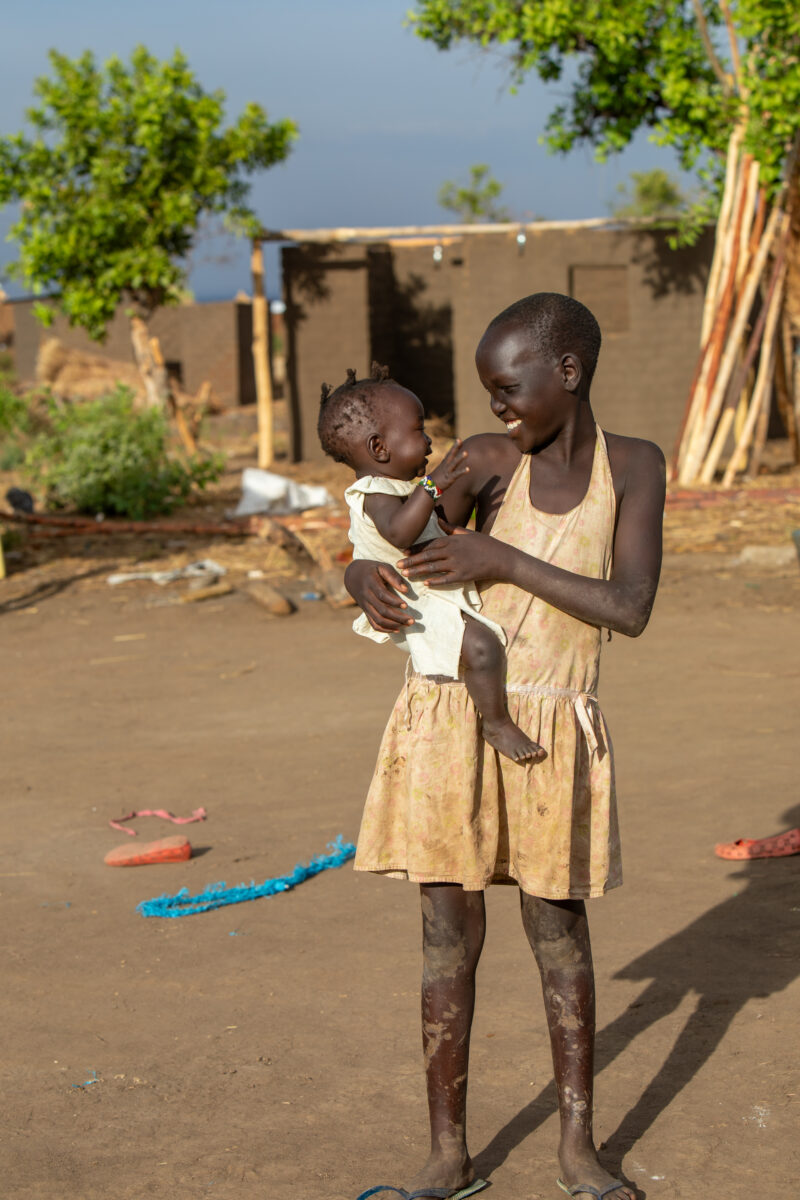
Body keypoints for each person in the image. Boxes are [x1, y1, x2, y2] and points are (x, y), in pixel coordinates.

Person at [345, 293, 666, 1200]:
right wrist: (357, 573)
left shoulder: (633, 466)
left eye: (508, 387)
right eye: (489, 390)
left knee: (558, 934)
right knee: (447, 938)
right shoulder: (487, 462)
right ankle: (448, 1153)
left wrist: (506, 561)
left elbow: (630, 607)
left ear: (568, 372)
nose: (495, 406)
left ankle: (578, 1149)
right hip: (451, 719)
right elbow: (394, 539)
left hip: (549, 731)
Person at [319, 364, 545, 764]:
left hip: (424, 591)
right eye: (418, 430)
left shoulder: (397, 489)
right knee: (482, 647)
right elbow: (400, 533)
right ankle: (496, 724)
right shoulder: (374, 493)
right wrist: (433, 484)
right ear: (379, 448)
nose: (427, 441)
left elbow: (427, 527)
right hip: (414, 599)